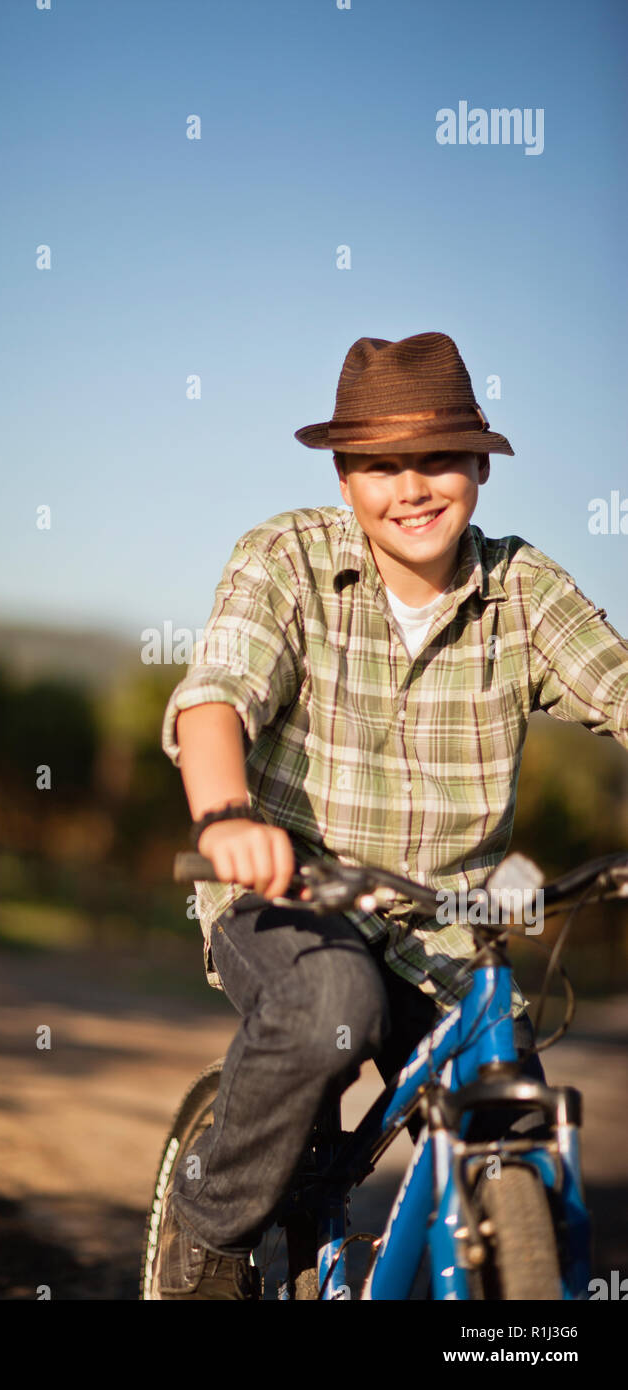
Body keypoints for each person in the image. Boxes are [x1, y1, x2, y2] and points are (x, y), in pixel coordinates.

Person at [155, 331, 628, 1299]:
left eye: (436, 458)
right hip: (291, 894)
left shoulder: (520, 591)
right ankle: (203, 1234)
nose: (410, 487)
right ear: (341, 475)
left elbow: (619, 686)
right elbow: (215, 697)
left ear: (477, 468)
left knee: (515, 1116)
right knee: (331, 1004)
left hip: (445, 925)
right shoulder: (285, 558)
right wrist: (225, 817)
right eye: (379, 463)